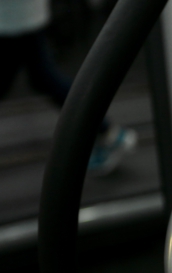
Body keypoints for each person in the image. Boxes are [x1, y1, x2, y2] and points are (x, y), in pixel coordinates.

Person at [0, 0, 136, 175]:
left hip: (13, 20)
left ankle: (108, 132)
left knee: (43, 79)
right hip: (21, 17)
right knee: (42, 79)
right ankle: (108, 132)